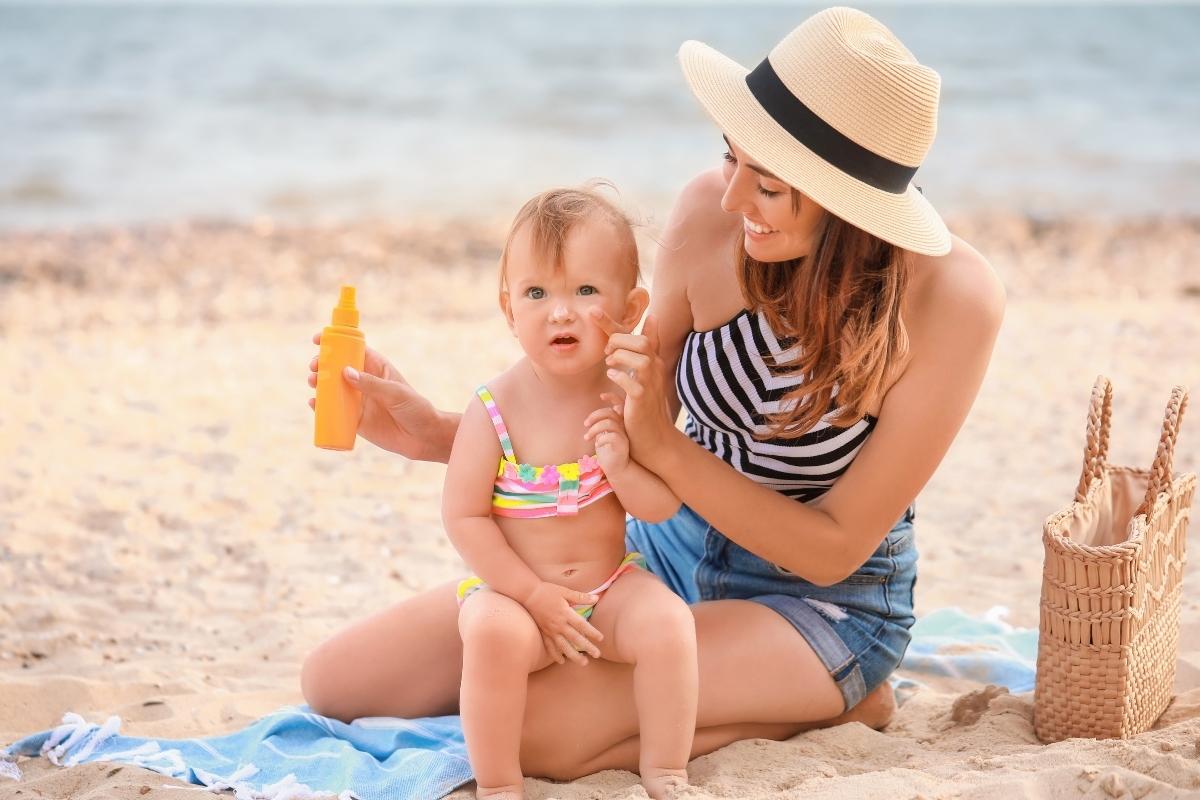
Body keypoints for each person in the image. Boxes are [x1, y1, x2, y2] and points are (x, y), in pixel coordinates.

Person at [301, 6, 1005, 783]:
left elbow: (835, 544)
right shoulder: (712, 212)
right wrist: (440, 433)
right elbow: (609, 403)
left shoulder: (953, 298)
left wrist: (666, 450)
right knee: (340, 684)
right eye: (731, 157)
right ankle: (744, 695)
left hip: (816, 602)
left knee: (530, 734)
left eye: (766, 185)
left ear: (846, 202)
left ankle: (837, 696)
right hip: (652, 554)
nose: (732, 196)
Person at [444, 186, 696, 800]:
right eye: (537, 293)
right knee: (491, 637)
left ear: (630, 307)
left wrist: (622, 467)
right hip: (517, 594)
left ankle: (666, 768)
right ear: (509, 309)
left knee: (669, 624)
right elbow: (464, 516)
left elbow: (661, 507)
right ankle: (500, 783)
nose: (560, 312)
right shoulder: (493, 408)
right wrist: (531, 594)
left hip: (608, 588)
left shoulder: (627, 398)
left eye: (585, 291)